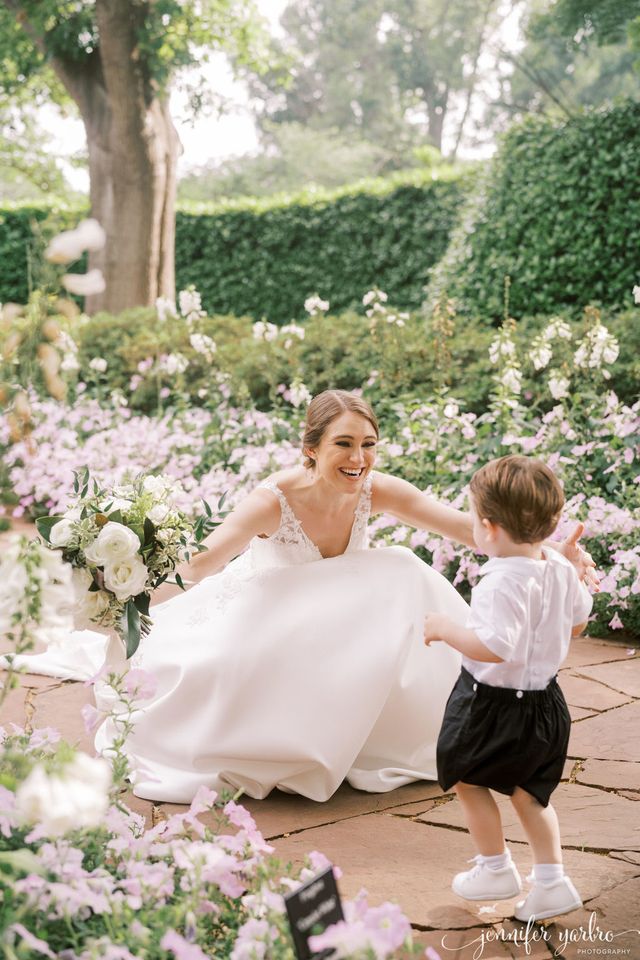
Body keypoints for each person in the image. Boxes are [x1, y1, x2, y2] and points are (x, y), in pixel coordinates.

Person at [423, 454, 593, 923]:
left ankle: (495, 867)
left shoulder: (499, 579)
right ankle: (552, 881)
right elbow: (578, 625)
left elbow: (493, 646)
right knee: (530, 793)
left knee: (464, 774)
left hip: (491, 704)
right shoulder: (559, 567)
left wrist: (444, 627)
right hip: (545, 704)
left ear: (490, 527)